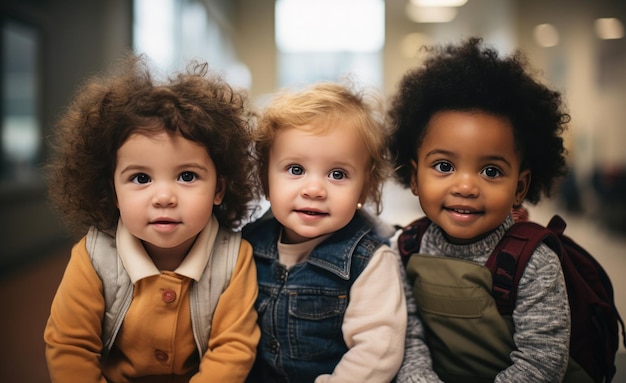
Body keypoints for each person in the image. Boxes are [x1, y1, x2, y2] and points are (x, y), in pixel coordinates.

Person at [43, 54, 260, 383]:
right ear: (113, 192)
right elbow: (71, 346)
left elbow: (233, 348)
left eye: (187, 176)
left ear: (219, 189)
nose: (164, 197)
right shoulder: (94, 257)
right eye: (141, 179)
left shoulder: (233, 258)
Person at [389, 37, 571, 382]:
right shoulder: (408, 247)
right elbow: (408, 338)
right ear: (414, 177)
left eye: (491, 171)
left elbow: (541, 362)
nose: (466, 187)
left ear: (520, 187)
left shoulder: (532, 261)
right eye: (444, 166)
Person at [242, 82, 411, 383]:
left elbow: (376, 351)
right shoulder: (250, 243)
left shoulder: (369, 260)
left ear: (366, 187)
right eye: (295, 169)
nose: (314, 190)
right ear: (265, 180)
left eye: (338, 174)